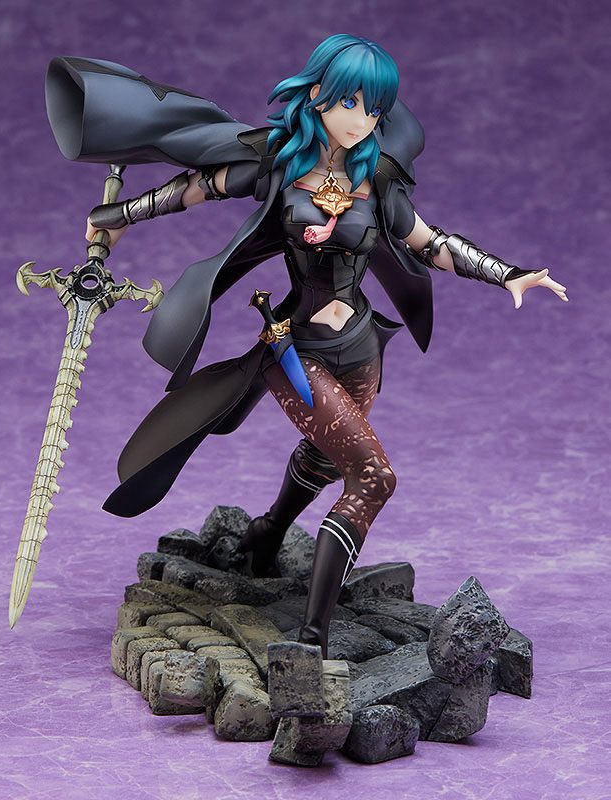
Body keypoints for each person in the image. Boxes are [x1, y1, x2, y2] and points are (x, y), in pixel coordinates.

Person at [52, 35, 567, 659]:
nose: (362, 120)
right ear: (318, 93)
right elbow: (197, 187)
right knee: (372, 478)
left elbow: (430, 244)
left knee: (325, 459)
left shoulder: (377, 177)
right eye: (351, 102)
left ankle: (266, 535)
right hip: (299, 353)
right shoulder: (277, 163)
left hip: (363, 348)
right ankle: (313, 641)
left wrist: (508, 274)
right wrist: (118, 217)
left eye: (374, 109)